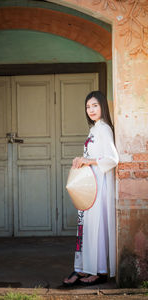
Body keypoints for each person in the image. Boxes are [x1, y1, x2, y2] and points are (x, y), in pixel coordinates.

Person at [63, 91, 119, 287]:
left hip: (99, 187)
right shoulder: (95, 129)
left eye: (95, 105)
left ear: (103, 106)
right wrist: (81, 161)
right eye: (88, 107)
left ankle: (100, 271)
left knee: (97, 228)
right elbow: (93, 156)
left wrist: (89, 161)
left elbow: (112, 159)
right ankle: (87, 268)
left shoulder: (104, 129)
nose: (91, 110)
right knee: (88, 229)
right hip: (90, 185)